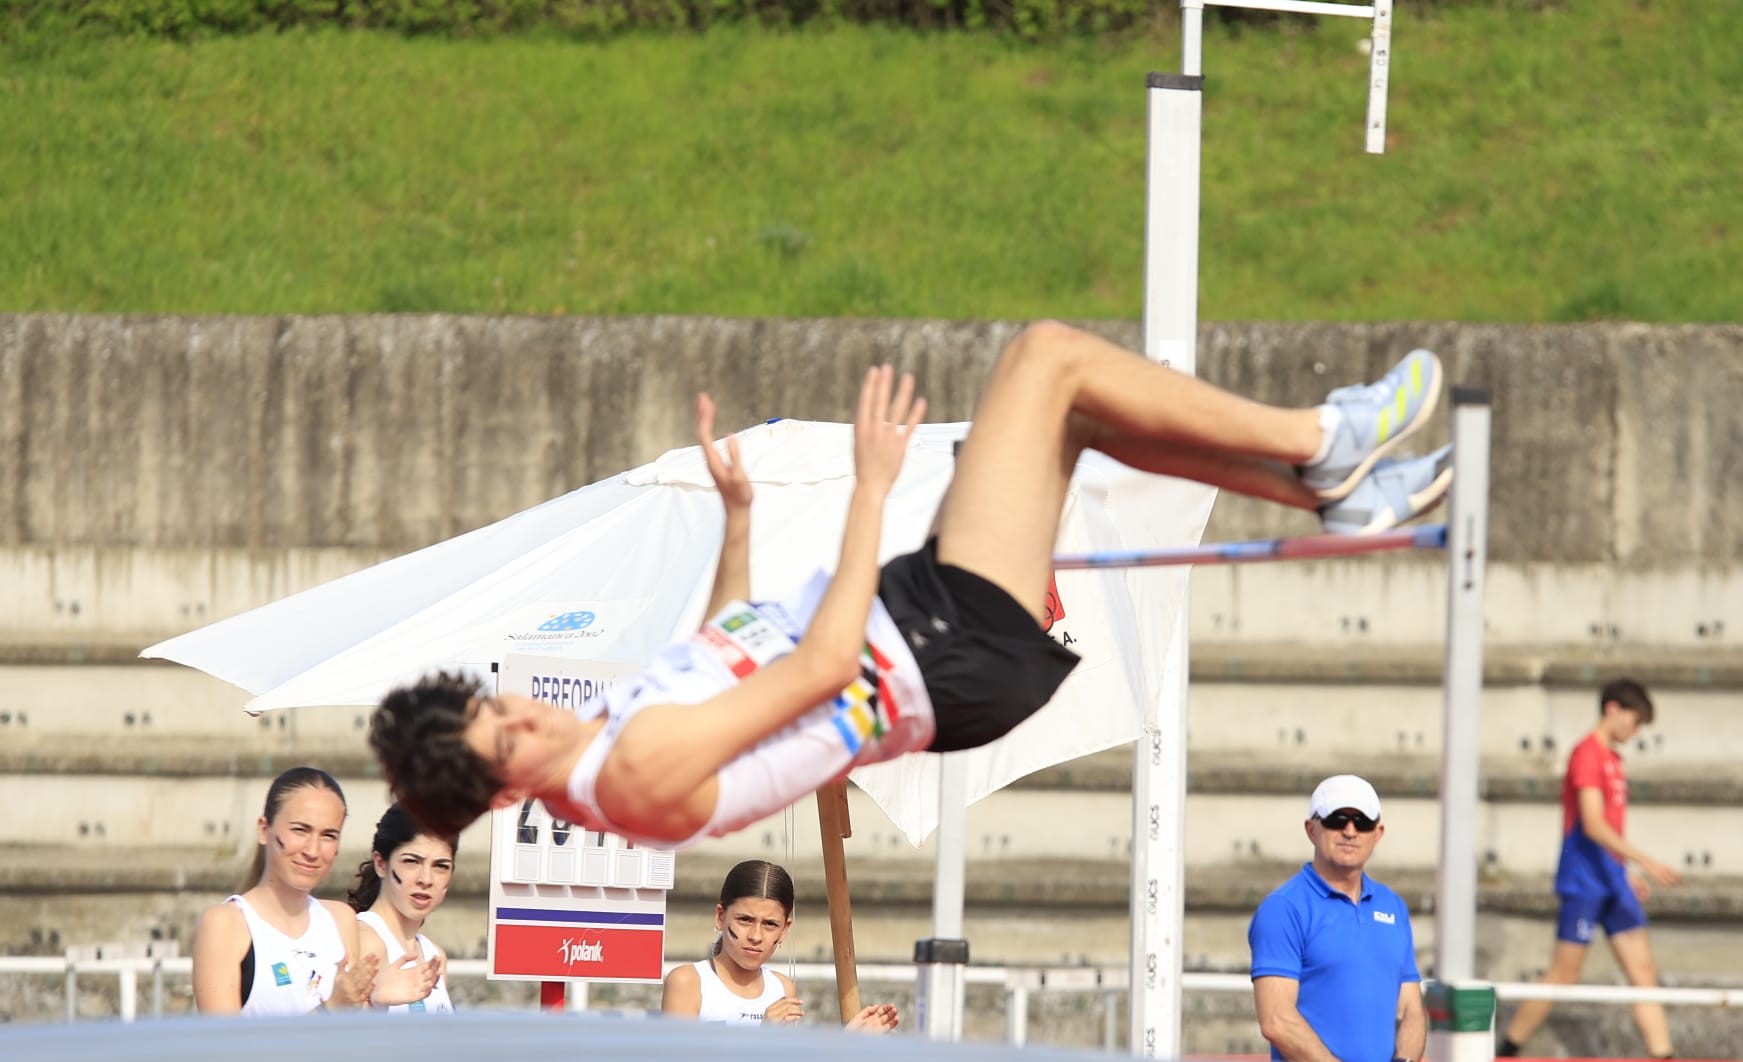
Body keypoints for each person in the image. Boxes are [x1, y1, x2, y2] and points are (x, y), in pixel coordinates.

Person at [370, 323, 1451, 849]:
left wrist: (738, 521)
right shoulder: (633, 768)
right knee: (1046, 360)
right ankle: (1323, 435)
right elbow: (819, 668)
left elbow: (720, 652)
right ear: (505, 795)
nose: (524, 714)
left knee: (1076, 416)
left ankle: (1333, 496)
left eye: (498, 706)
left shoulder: (600, 755)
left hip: (926, 636)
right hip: (933, 651)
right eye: (505, 739)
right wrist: (872, 492)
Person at [1498, 679, 1680, 1059]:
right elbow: (1593, 824)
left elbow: (1608, 829)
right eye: (1635, 720)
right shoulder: (1587, 755)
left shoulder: (1613, 760)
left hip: (1613, 879)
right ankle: (1507, 1050)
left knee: (1643, 972)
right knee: (1564, 974)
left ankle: (1664, 1057)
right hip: (1584, 881)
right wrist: (1646, 861)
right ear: (1613, 709)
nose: (1636, 731)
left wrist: (1624, 872)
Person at [192, 767, 437, 1016]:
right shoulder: (226, 924)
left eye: (328, 835)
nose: (312, 850)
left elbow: (352, 1031)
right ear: (264, 830)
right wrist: (328, 1010)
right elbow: (222, 1040)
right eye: (300, 830)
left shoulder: (341, 919)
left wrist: (377, 1003)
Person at [1248, 775, 1425, 1062]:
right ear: (1311, 829)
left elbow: (1411, 1009)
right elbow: (1276, 1021)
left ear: (1378, 833)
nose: (1350, 831)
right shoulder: (1284, 908)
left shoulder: (1392, 906)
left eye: (1362, 823)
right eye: (1336, 820)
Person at [661, 860, 898, 1031]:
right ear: (720, 916)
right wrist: (763, 1036)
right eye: (745, 920)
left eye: (770, 924)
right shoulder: (689, 981)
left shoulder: (782, 987)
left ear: (785, 928)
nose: (756, 936)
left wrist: (848, 1043)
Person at [347, 805, 454, 1015]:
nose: (426, 879)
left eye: (441, 866)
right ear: (381, 864)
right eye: (411, 862)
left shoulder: (435, 953)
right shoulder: (366, 941)